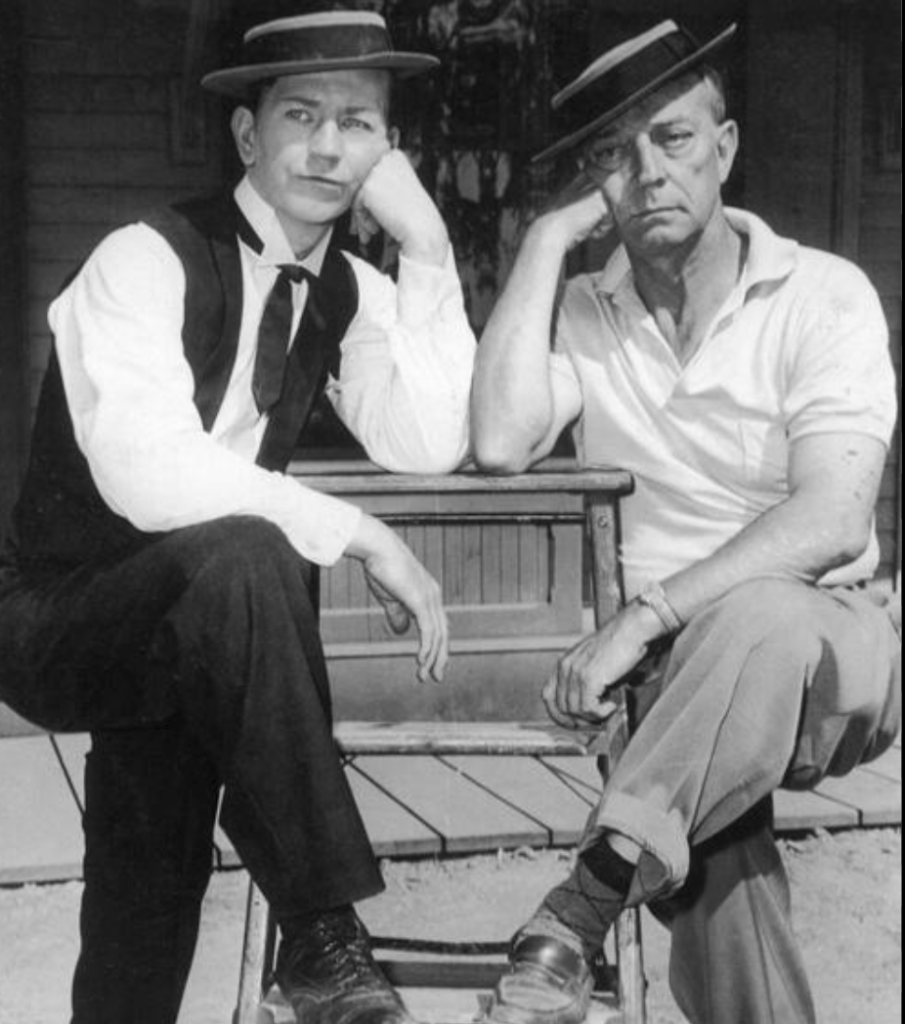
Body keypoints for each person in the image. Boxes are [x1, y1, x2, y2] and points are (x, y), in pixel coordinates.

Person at [0, 9, 476, 1024]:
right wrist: (362, 533)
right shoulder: (144, 257)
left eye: (357, 122)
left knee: (143, 899)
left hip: (208, 628)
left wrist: (429, 245)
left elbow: (427, 437)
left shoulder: (348, 289)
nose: (328, 147)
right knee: (254, 552)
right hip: (61, 616)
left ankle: (283, 953)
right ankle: (321, 934)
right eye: (301, 115)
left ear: (386, 150)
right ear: (247, 134)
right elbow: (150, 475)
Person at [471, 18, 900, 1024]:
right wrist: (542, 240)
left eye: (671, 139)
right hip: (674, 687)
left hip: (829, 651)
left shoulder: (820, 293)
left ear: (724, 147)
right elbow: (498, 440)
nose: (647, 174)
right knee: (715, 851)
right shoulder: (587, 310)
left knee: (758, 614)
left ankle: (578, 906)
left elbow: (832, 517)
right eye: (614, 157)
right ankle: (612, 885)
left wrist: (645, 615)